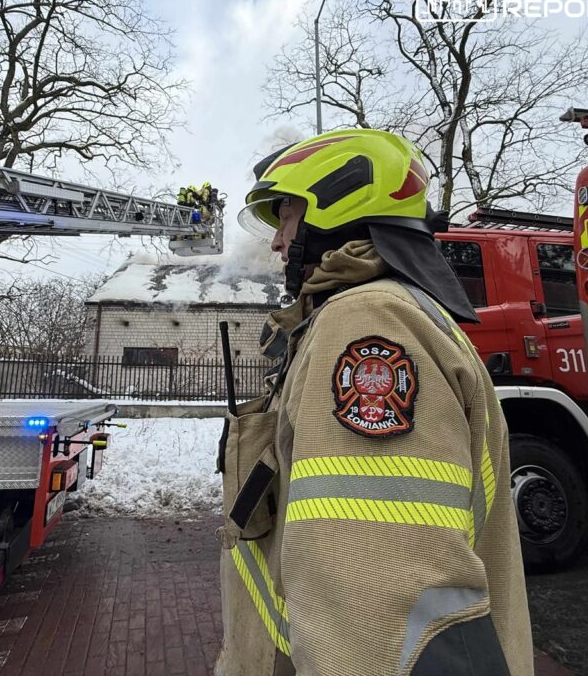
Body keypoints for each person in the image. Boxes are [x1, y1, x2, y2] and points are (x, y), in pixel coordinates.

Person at [216, 129, 533, 676]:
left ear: (334, 205)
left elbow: (380, 600)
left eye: (286, 218)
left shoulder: (365, 322)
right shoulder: (373, 312)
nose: (276, 243)